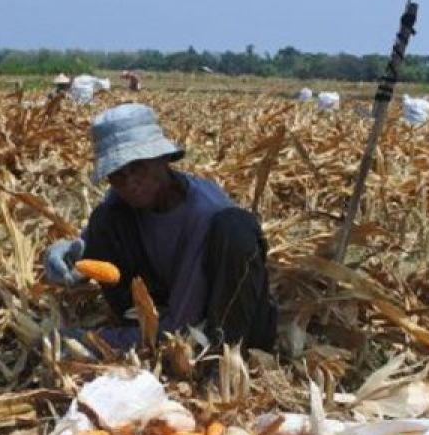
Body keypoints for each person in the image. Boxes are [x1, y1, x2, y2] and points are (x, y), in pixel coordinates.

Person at [43, 103, 277, 353]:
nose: (130, 182)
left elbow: (181, 326)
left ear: (163, 159)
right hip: (171, 305)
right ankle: (135, 327)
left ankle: (218, 355)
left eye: (138, 168)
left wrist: (95, 341)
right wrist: (65, 253)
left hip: (221, 321)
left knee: (236, 228)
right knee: (105, 218)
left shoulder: (204, 214)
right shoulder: (122, 201)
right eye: (118, 174)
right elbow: (89, 247)